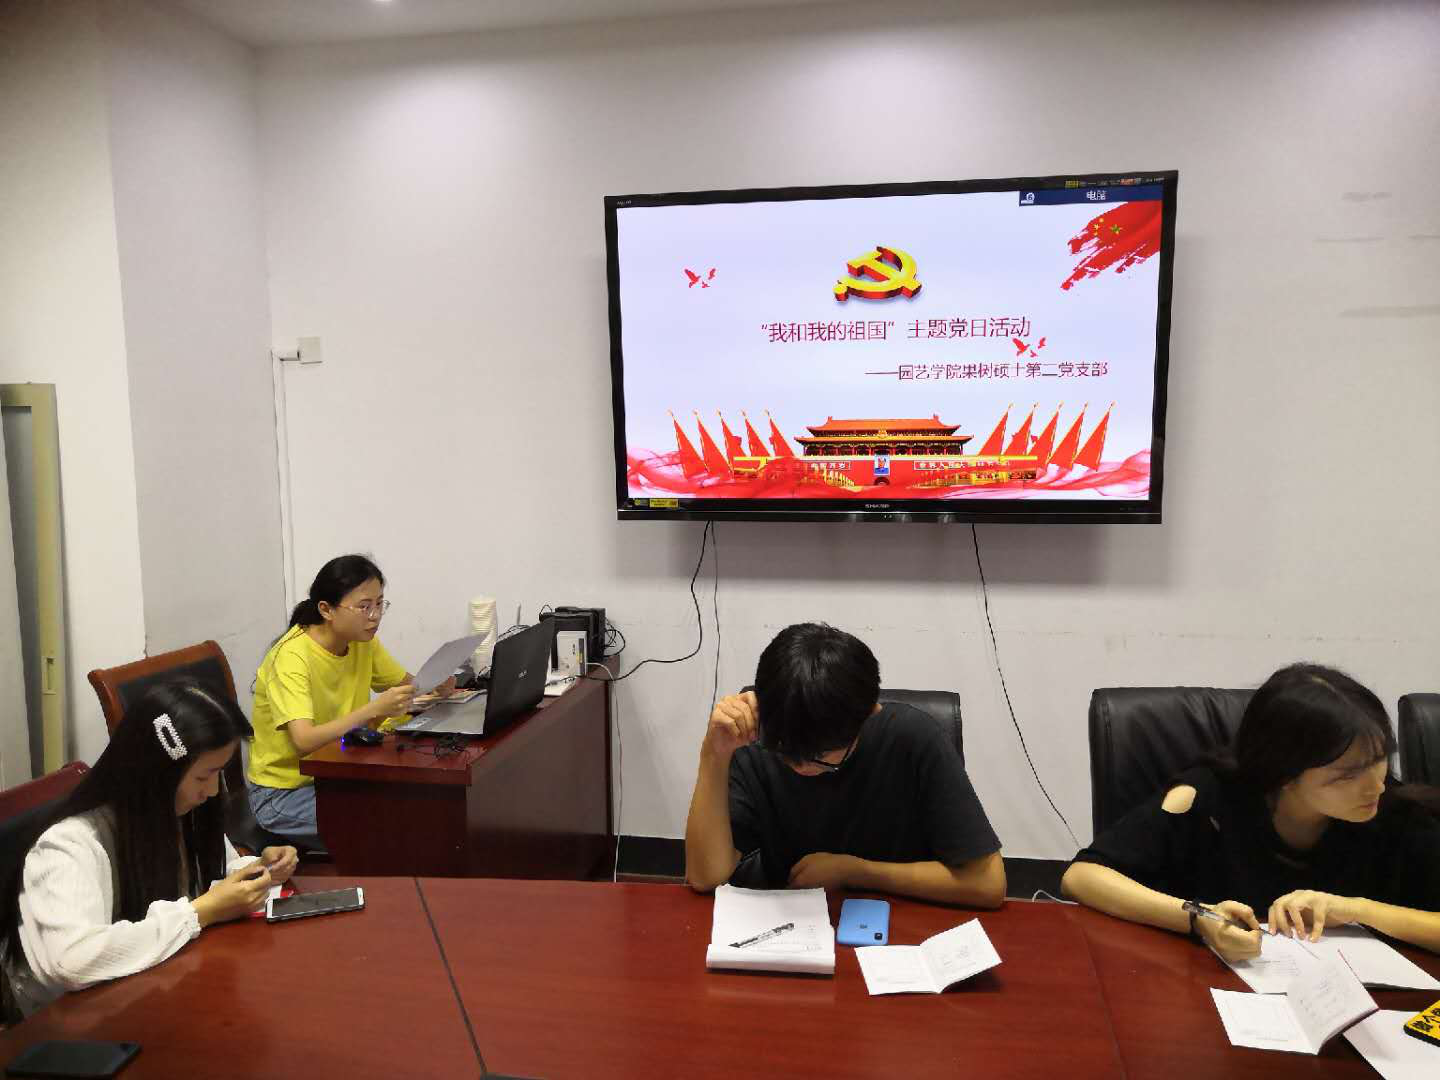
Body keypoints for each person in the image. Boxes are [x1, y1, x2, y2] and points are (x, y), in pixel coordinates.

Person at [1062, 663, 1440, 961]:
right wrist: (1198, 918)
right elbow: (1082, 877)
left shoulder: (1393, 812)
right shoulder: (1211, 798)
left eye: (1379, 758)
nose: (1376, 784)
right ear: (1284, 774)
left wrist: (1359, 910)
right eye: (1348, 775)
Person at [0, 680, 298, 1019]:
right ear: (158, 773)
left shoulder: (179, 811)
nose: (213, 790)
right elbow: (72, 960)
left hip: (146, 990)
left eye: (218, 774)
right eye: (203, 777)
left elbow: (213, 874)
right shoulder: (67, 845)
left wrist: (257, 870)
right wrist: (198, 913)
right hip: (63, 1022)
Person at [684, 622, 1005, 906]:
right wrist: (714, 753)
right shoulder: (756, 737)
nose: (800, 767)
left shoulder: (913, 738)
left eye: (820, 759)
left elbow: (988, 883)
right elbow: (705, 877)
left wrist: (855, 871)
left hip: (896, 925)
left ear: (869, 715)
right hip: (790, 927)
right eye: (786, 754)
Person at [248, 554, 451, 851]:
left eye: (379, 604)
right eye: (364, 606)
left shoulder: (360, 640)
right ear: (326, 609)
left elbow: (408, 685)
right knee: (394, 824)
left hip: (339, 773)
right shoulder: (290, 658)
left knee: (424, 800)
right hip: (284, 794)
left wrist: (437, 683)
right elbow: (304, 740)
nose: (375, 616)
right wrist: (374, 709)